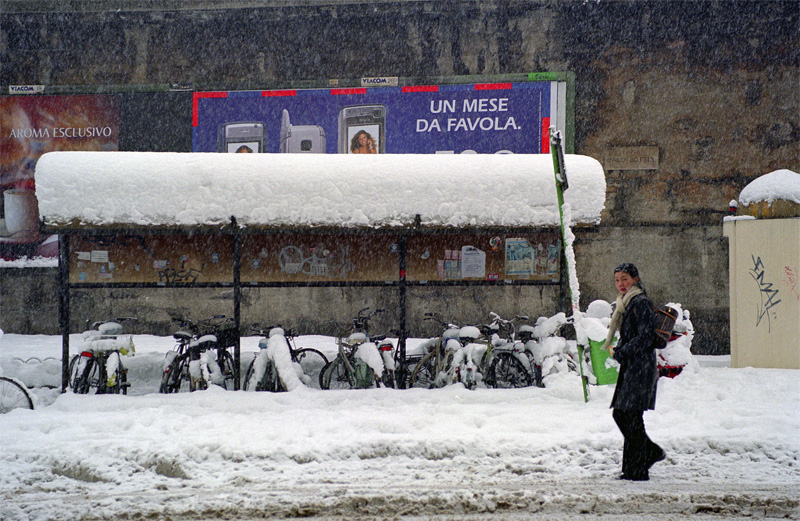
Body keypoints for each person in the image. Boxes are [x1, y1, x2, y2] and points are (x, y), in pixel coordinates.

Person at [602, 262, 665, 481]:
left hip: (641, 367)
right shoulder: (626, 303)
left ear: (635, 279)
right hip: (633, 366)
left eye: (625, 279)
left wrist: (624, 351)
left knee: (626, 415)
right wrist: (623, 350)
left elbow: (646, 336)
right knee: (628, 416)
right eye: (617, 279)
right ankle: (634, 468)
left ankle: (647, 457)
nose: (620, 283)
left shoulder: (641, 302)